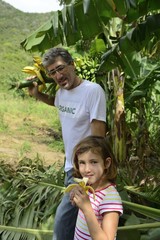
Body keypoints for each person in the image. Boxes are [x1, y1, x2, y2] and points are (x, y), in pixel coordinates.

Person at [28, 47, 107, 240]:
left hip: (82, 173)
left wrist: (86, 176)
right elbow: (58, 103)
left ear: (72, 64)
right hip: (69, 168)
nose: (58, 74)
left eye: (61, 68)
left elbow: (98, 139)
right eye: (52, 72)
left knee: (61, 228)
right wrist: (37, 95)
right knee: (77, 228)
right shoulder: (62, 93)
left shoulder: (92, 91)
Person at [70, 135, 123, 240]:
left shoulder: (110, 198)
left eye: (93, 162)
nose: (87, 169)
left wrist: (87, 209)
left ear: (106, 163)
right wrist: (76, 199)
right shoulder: (89, 187)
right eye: (82, 163)